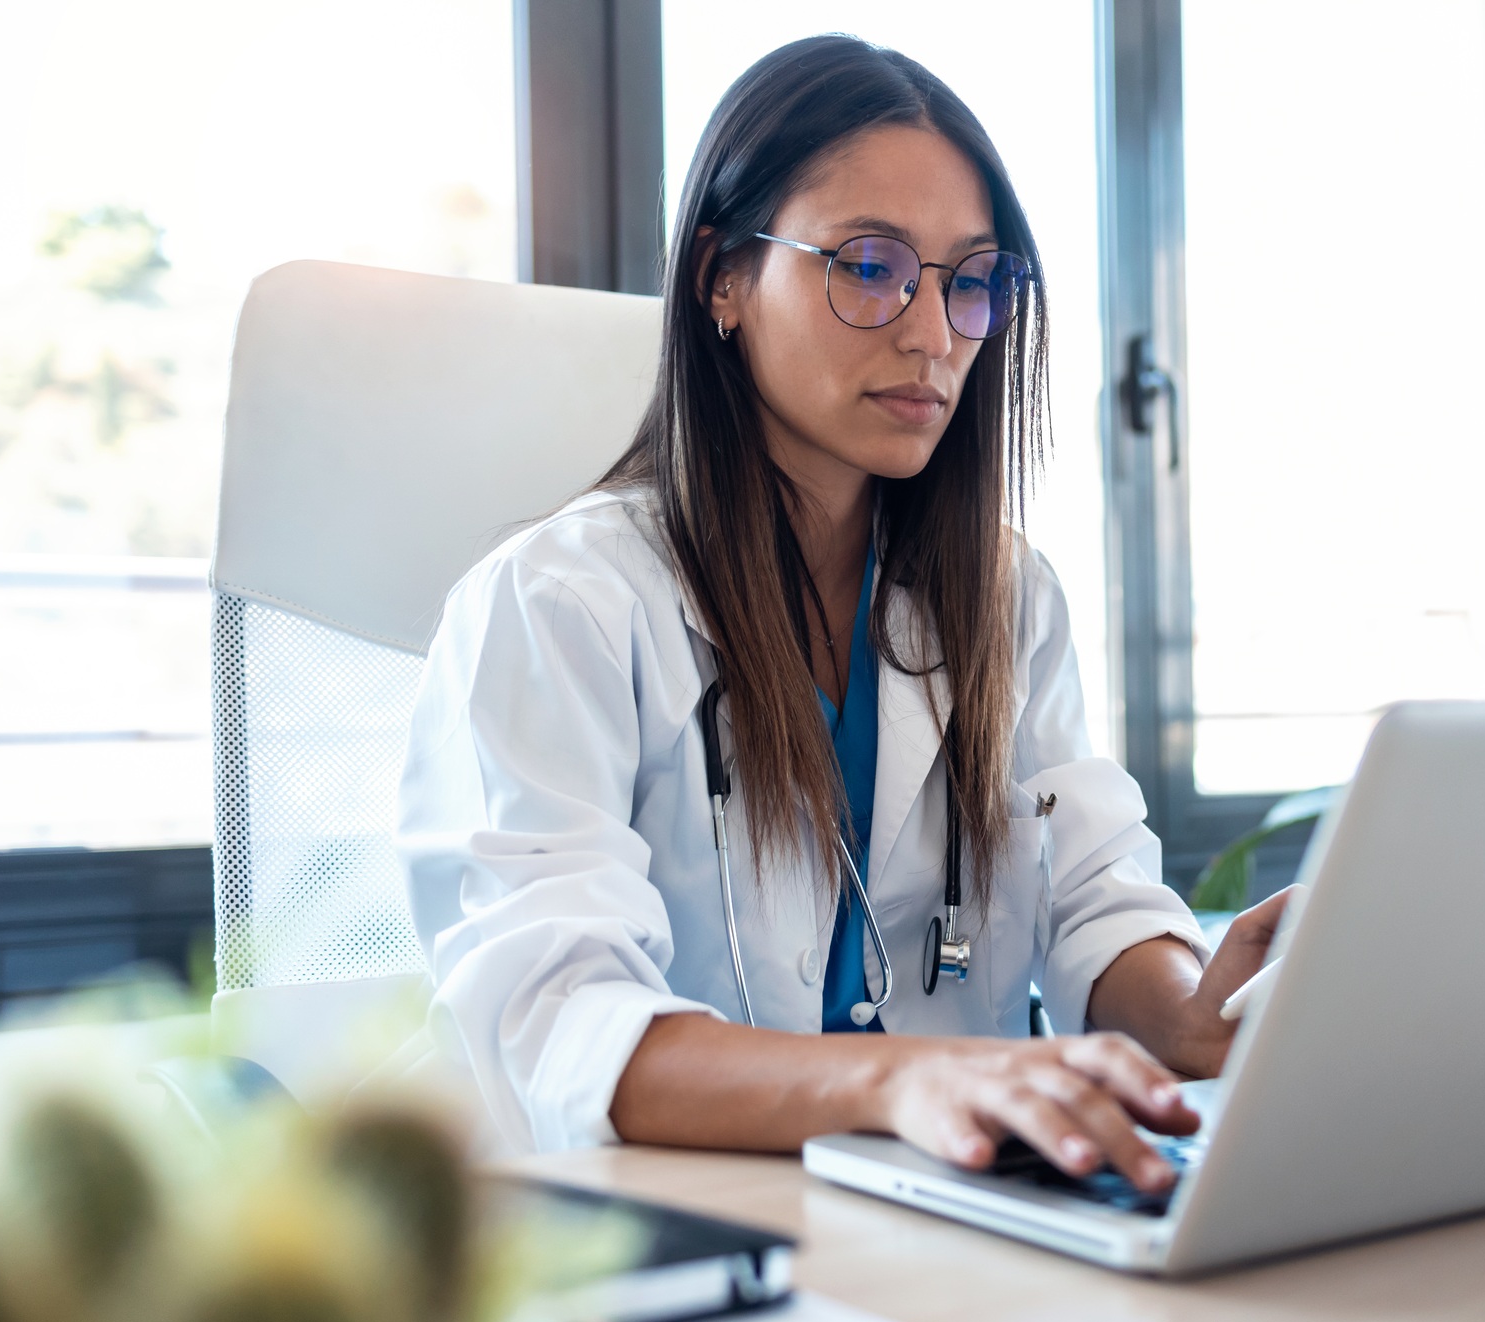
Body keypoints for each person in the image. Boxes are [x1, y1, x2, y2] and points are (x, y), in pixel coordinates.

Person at [398, 34, 1285, 1192]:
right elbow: (558, 1024)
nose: (932, 334)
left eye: (969, 281)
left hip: (944, 1221)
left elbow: (1094, 905)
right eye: (869, 267)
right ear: (721, 276)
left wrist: (1208, 1008)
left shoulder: (1006, 602)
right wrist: (900, 1078)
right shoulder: (559, 606)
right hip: (650, 1243)